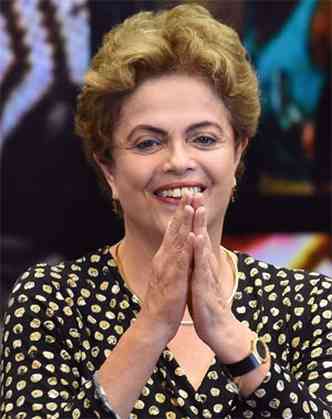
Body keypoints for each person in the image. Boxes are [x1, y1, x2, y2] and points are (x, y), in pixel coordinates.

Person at [0, 4, 331, 419]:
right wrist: (151, 326)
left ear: (238, 154)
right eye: (147, 143)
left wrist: (233, 342)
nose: (178, 161)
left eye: (205, 139)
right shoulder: (52, 300)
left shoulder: (307, 304)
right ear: (109, 170)